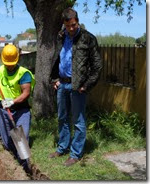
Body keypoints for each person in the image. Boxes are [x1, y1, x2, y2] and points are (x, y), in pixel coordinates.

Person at [49, 7, 102, 167]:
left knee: (78, 121)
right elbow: (56, 58)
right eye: (68, 26)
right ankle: (62, 147)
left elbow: (97, 65)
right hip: (62, 83)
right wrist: (55, 79)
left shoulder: (88, 39)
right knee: (62, 118)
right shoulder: (60, 36)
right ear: (64, 25)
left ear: (77, 21)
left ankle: (75, 154)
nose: (71, 29)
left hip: (78, 86)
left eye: (74, 25)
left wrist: (86, 85)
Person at [0, 44, 35, 171]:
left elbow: (26, 93)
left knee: (22, 137)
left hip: (21, 110)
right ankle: (13, 167)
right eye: (7, 63)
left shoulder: (23, 73)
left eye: (12, 63)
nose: (9, 65)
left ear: (18, 59)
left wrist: (12, 102)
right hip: (3, 110)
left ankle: (26, 167)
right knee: (7, 140)